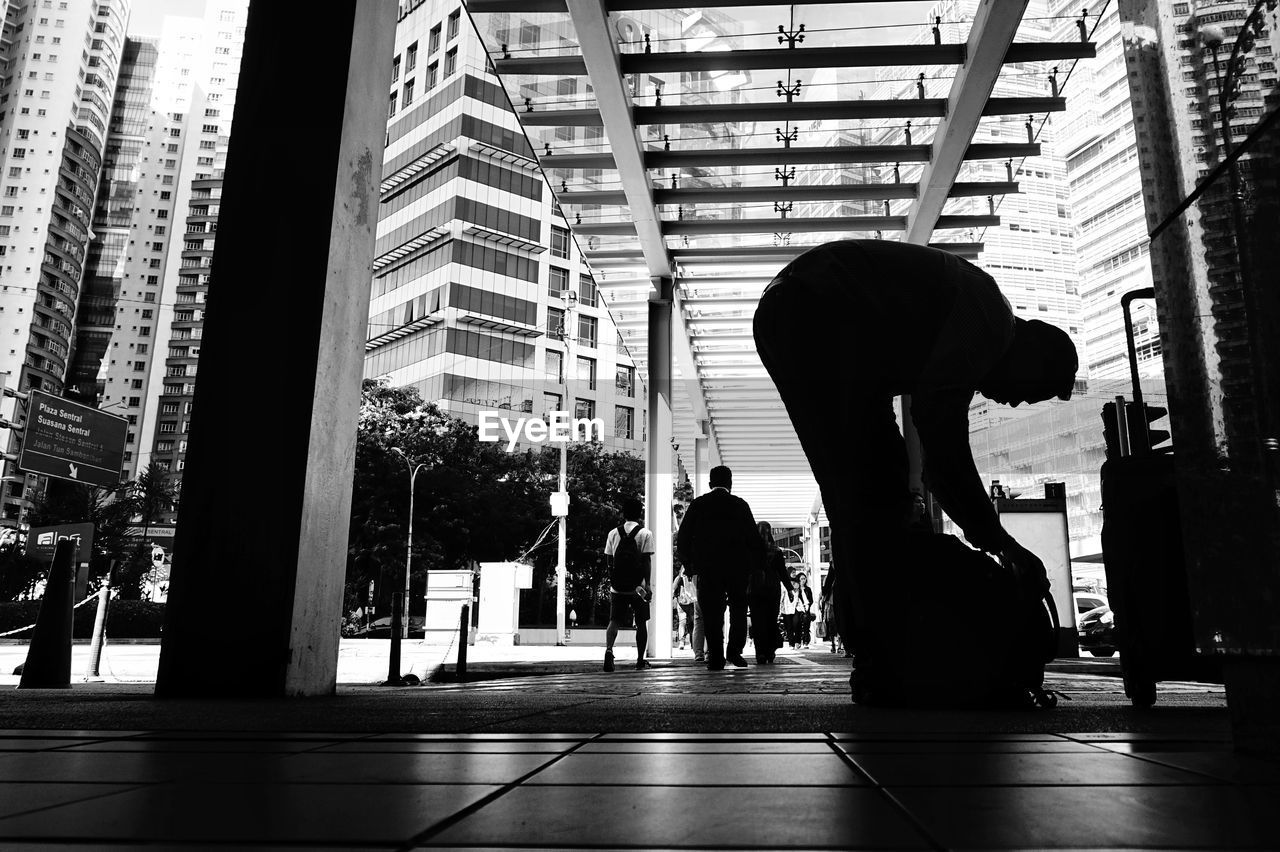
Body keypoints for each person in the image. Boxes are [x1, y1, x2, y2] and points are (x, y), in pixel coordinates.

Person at [753, 239, 1075, 660]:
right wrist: (1002, 543)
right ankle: (879, 645)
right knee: (873, 483)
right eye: (1031, 393)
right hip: (820, 312)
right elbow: (945, 452)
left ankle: (873, 640)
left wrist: (991, 537)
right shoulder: (988, 325)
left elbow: (939, 454)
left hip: (794, 314)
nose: (1014, 402)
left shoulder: (978, 312)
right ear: (1033, 358)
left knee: (854, 481)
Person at [676, 465, 765, 670]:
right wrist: (757, 567)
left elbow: (683, 537)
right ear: (730, 483)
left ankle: (715, 657)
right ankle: (734, 652)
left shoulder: (699, 505)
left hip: (707, 569)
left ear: (709, 484)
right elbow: (754, 539)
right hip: (737, 568)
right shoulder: (740, 505)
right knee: (738, 610)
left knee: (712, 613)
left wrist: (689, 565)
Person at [603, 496, 655, 671]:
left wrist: (613, 580)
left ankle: (609, 651)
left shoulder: (613, 533)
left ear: (623, 513)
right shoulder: (645, 533)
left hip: (617, 587)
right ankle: (640, 660)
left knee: (614, 620)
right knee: (641, 623)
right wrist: (647, 585)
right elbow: (647, 561)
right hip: (637, 588)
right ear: (640, 513)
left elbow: (609, 560)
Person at [748, 522, 790, 664]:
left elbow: (745, 572)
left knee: (758, 622)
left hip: (755, 590)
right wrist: (789, 589)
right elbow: (783, 573)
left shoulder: (751, 551)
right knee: (771, 621)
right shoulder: (776, 551)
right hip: (772, 590)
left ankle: (760, 652)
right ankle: (769, 651)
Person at [672, 562, 697, 651]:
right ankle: (693, 643)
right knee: (692, 623)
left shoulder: (680, 576)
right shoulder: (694, 573)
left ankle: (682, 642)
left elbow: (674, 586)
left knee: (682, 622)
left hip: (682, 600)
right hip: (691, 600)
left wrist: (673, 595)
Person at [794, 572, 814, 649]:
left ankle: (806, 642)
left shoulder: (808, 589)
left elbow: (811, 600)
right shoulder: (796, 589)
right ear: (798, 579)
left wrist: (807, 605)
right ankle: (797, 642)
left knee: (806, 626)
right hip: (798, 609)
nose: (803, 580)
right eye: (802, 578)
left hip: (806, 609)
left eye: (804, 578)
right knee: (797, 625)